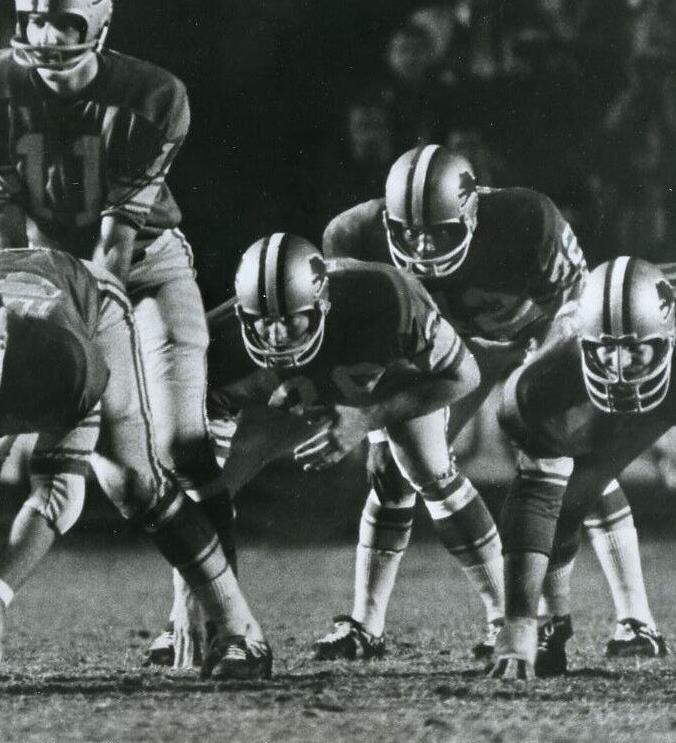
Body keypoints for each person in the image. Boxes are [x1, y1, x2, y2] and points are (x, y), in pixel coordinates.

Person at [0, 0, 235, 667]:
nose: (45, 38)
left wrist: (71, 340)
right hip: (44, 272)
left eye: (61, 21)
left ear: (98, 24)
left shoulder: (153, 96)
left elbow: (112, 250)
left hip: (142, 269)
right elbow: (4, 240)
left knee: (182, 446)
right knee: (76, 460)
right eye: (32, 22)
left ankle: (206, 615)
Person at [0, 250, 272, 682]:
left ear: (0, 339)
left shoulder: (57, 359)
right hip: (10, 311)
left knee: (133, 481)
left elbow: (56, 490)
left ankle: (240, 630)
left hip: (89, 300)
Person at [321, 145, 667, 661]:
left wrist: (540, 391)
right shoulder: (353, 235)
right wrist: (376, 427)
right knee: (396, 467)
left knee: (570, 458)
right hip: (446, 353)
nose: (422, 247)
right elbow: (374, 337)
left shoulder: (527, 218)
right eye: (409, 232)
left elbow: (574, 311)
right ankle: (367, 623)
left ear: (471, 215)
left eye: (439, 230)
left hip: (538, 338)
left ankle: (635, 619)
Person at [487, 257, 676, 679]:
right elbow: (535, 490)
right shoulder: (546, 370)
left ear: (668, 333)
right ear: (582, 342)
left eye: (634, 350)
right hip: (668, 376)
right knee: (566, 495)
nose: (618, 369)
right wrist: (518, 620)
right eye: (604, 353)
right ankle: (549, 625)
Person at [209, 233, 502, 659]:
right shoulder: (219, 338)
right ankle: (210, 619)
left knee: (422, 463)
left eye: (291, 320)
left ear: (323, 304)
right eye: (261, 321)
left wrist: (366, 418)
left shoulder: (384, 299)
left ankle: (505, 618)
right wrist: (188, 600)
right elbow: (204, 485)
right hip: (305, 386)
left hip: (388, 374)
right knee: (221, 477)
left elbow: (464, 377)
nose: (275, 336)